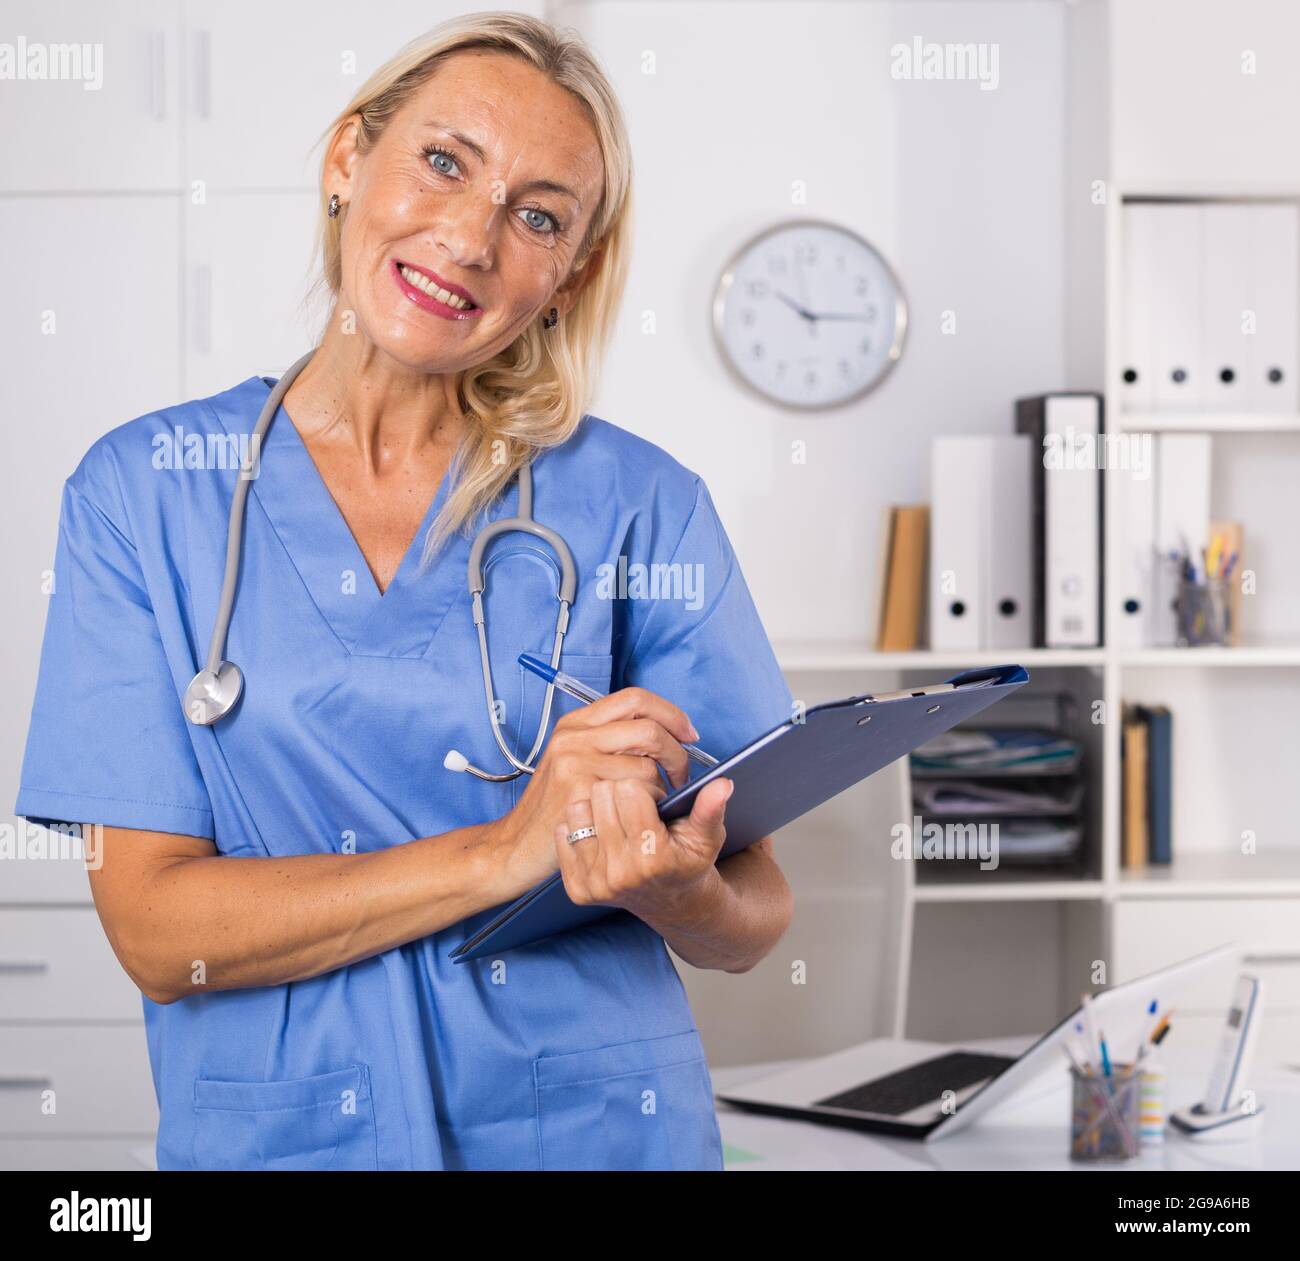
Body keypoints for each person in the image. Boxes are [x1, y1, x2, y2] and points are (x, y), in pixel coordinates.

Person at [15, 12, 793, 1171]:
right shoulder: (144, 492)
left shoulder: (641, 504)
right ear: (346, 162)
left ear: (568, 275)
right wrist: (504, 851)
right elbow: (154, 928)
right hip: (287, 1140)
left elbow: (754, 913)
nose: (470, 241)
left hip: (589, 1129)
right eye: (443, 163)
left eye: (537, 217)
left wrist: (677, 893)